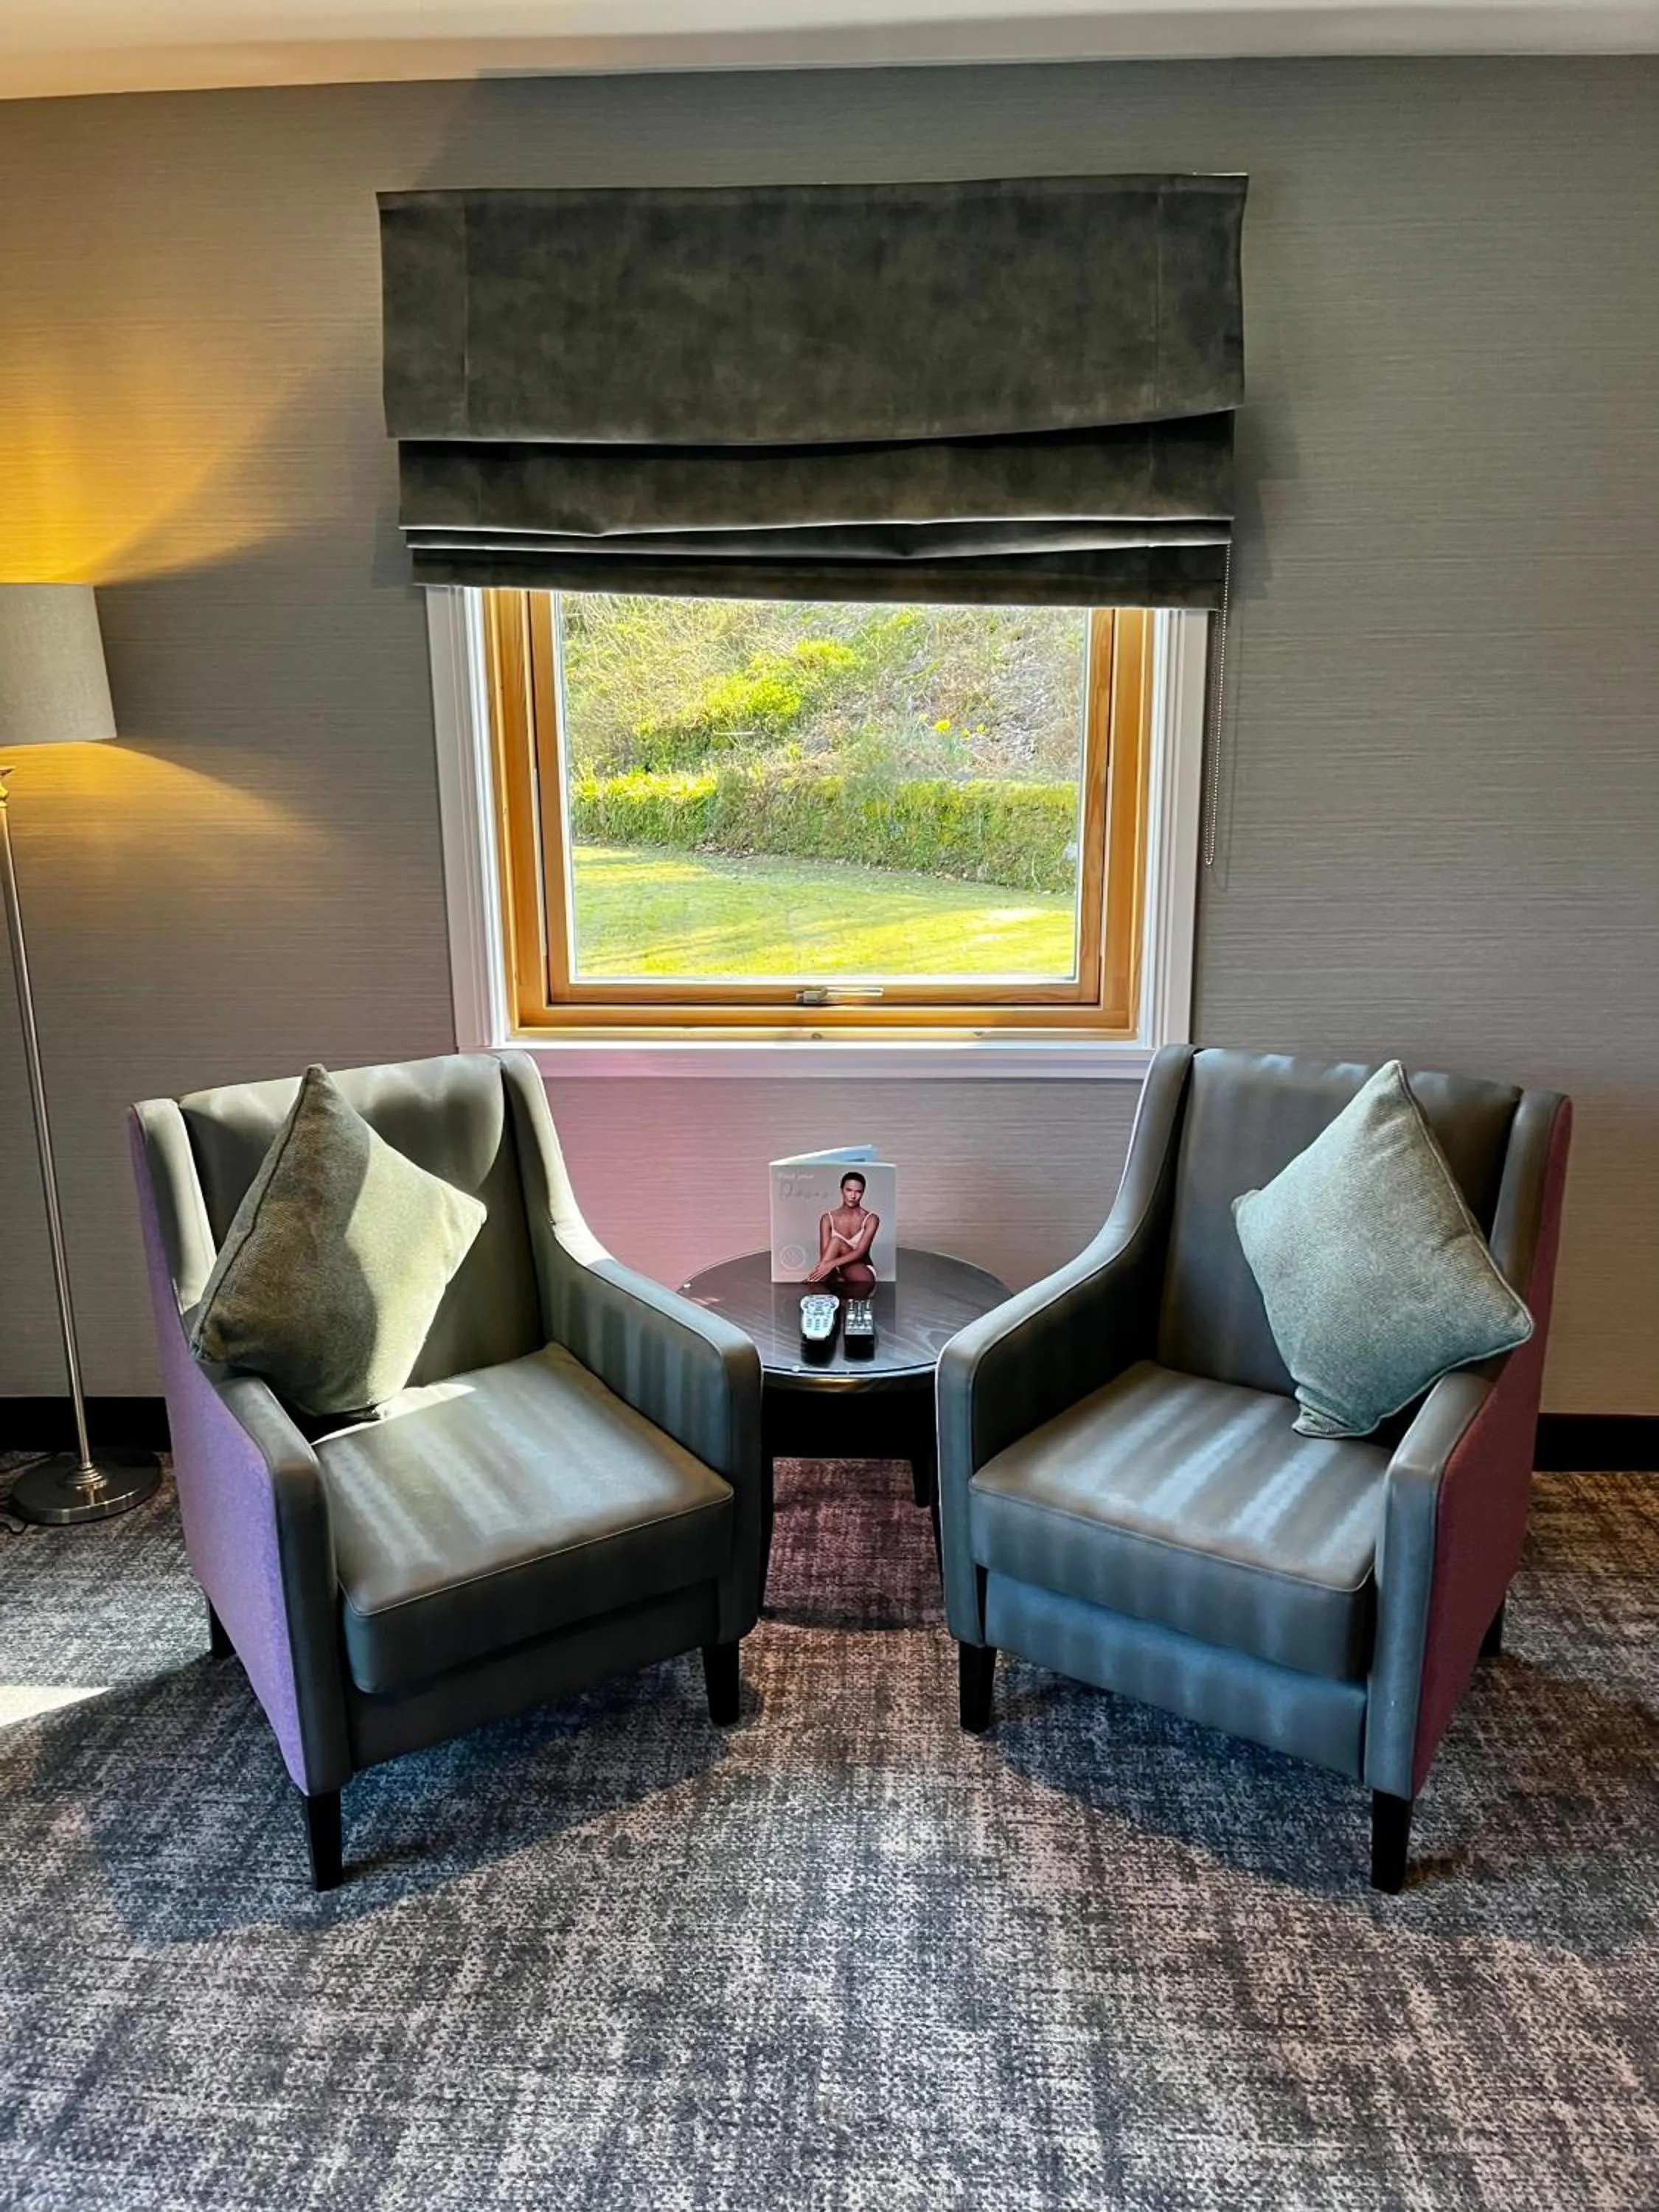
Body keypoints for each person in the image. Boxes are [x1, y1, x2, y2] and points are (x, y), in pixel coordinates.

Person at [807, 1171, 879, 1294]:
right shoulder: (827, 1218)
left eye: (858, 1192)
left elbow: (860, 1252)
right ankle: (818, 1283)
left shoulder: (871, 1219)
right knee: (832, 1251)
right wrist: (829, 1267)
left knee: (836, 1242)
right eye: (849, 1190)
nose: (853, 1196)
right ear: (842, 1191)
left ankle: (809, 1285)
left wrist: (830, 1265)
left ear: (863, 1193)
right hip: (834, 1270)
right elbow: (825, 1256)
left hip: (861, 1271)